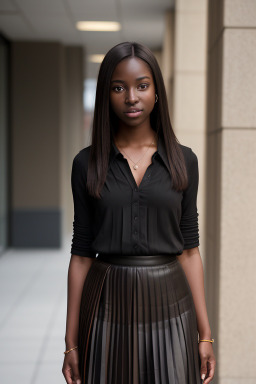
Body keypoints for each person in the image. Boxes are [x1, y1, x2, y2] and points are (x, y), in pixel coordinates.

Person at [62, 41, 216, 384]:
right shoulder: (86, 163)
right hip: (106, 300)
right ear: (106, 95)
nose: (131, 97)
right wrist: (71, 342)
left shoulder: (184, 160)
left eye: (142, 86)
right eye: (118, 88)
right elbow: (81, 254)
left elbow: (189, 251)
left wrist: (204, 334)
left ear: (157, 92)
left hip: (171, 300)